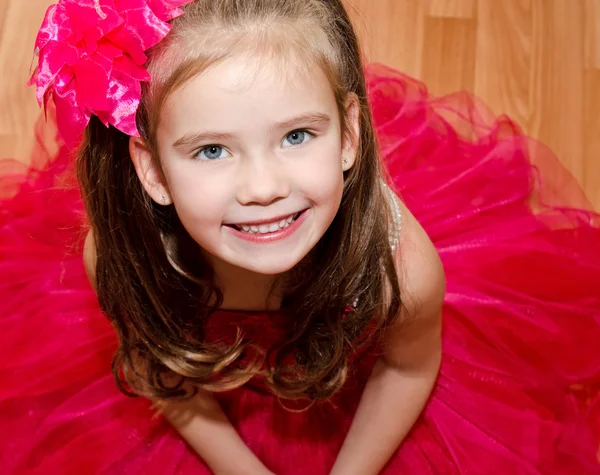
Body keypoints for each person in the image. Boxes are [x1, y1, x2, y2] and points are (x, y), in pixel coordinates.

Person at [0, 0, 599, 473]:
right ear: (152, 170)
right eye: (212, 149)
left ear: (348, 137)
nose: (263, 187)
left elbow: (409, 370)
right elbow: (157, 366)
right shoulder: (122, 258)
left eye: (296, 136)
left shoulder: (405, 274)